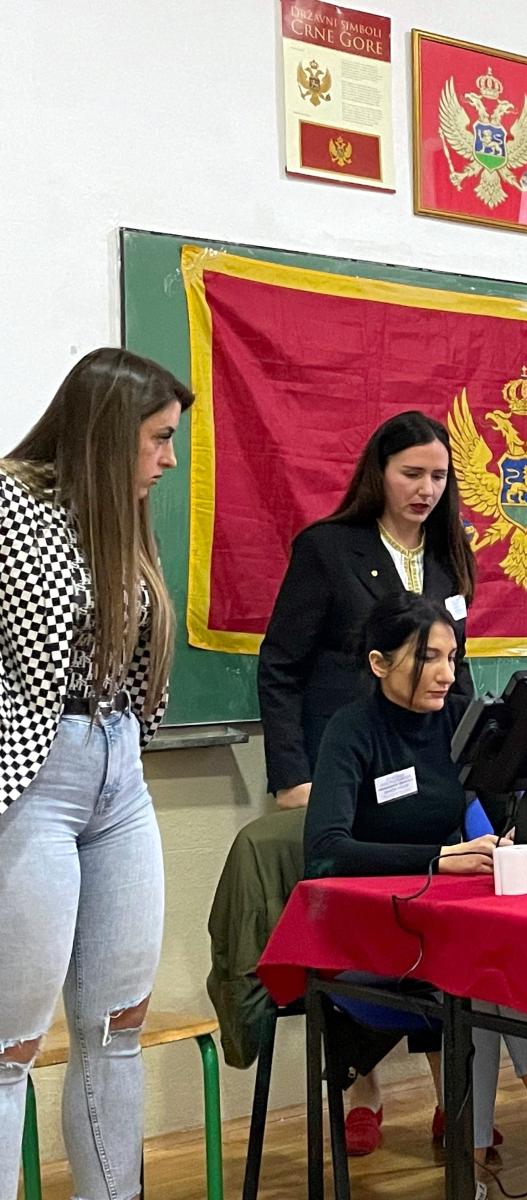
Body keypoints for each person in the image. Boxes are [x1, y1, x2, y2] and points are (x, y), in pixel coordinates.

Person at [305, 592, 527, 1200]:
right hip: (370, 932)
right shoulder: (350, 731)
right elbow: (325, 849)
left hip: (444, 924)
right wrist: (437, 858)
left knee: (489, 968)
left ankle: (477, 1164)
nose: (445, 673)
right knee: (489, 973)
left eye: (453, 657)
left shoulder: (463, 722)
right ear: (380, 663)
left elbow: (492, 804)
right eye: (426, 658)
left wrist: (511, 836)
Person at [0, 348, 192, 1200]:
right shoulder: (11, 500)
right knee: (9, 1045)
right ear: (111, 431)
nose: (169, 459)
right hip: (36, 774)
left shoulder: (122, 512)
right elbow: (35, 641)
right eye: (157, 438)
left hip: (120, 769)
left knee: (118, 1027)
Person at [258, 410, 477, 1151]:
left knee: (454, 921)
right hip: (345, 763)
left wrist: (477, 765)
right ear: (377, 473)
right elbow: (281, 666)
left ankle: (461, 1096)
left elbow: (459, 675)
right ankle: (363, 1085)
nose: (424, 489)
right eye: (410, 473)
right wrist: (291, 774)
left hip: (430, 771)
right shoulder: (329, 550)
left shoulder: (451, 556)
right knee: (362, 925)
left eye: (438, 477)